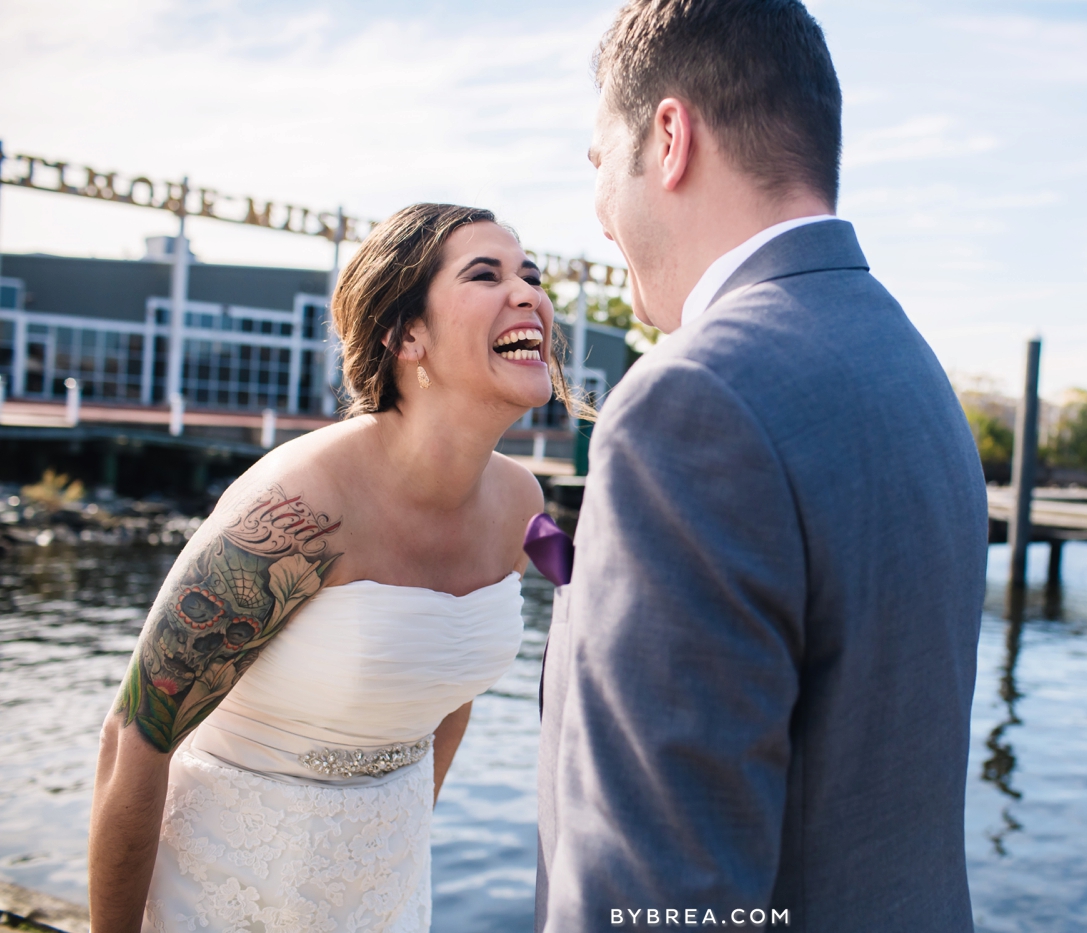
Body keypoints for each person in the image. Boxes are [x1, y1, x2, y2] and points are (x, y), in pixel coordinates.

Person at [535, 1, 988, 931]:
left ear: (669, 138)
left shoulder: (690, 403)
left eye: (595, 163)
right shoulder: (912, 368)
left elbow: (660, 898)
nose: (599, 212)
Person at [89, 204, 571, 932]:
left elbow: (452, 677)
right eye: (486, 274)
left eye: (531, 276)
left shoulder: (521, 502)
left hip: (388, 887)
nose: (530, 293)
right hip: (231, 886)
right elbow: (135, 733)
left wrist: (392, 846)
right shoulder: (299, 505)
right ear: (406, 333)